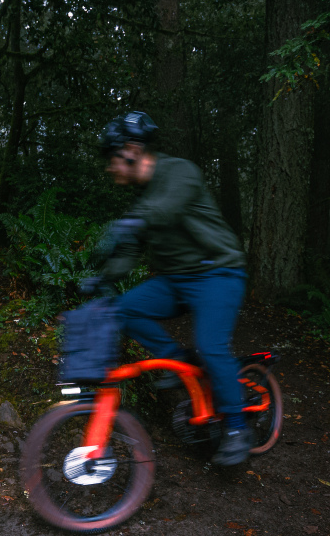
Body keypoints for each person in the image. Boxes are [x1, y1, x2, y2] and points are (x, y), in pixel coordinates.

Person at [85, 110, 250, 466]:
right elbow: (130, 250)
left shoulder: (180, 172)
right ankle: (177, 361)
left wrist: (130, 222)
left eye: (112, 159)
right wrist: (104, 278)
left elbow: (167, 209)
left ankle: (237, 429)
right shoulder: (141, 200)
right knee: (124, 309)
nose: (109, 168)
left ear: (131, 150)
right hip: (177, 280)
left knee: (212, 345)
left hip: (218, 273)